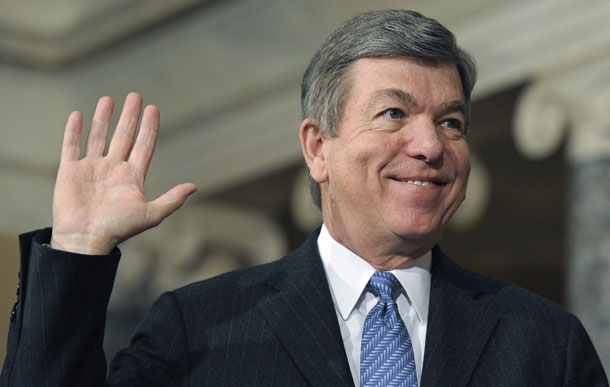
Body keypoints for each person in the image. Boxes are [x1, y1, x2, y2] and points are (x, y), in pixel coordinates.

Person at [1, 9, 607, 387]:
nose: (429, 144)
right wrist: (78, 250)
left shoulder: (544, 345)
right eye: (394, 113)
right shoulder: (200, 327)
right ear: (318, 147)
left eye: (451, 122)